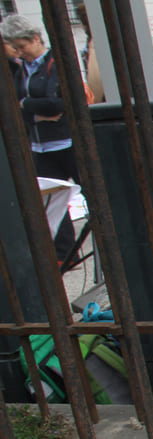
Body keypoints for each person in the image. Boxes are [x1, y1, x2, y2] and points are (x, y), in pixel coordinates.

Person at [2, 14, 78, 262]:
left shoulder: (54, 63)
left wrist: (26, 105)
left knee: (89, 193)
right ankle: (64, 253)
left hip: (66, 142)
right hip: (40, 146)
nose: (19, 52)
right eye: (15, 48)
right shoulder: (21, 70)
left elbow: (56, 104)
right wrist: (31, 108)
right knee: (52, 201)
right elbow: (16, 106)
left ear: (36, 39)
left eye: (22, 46)